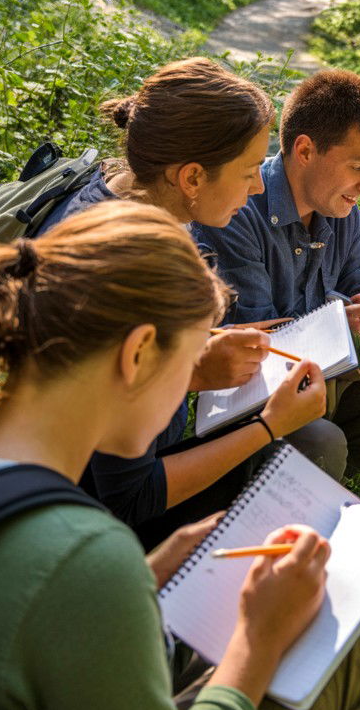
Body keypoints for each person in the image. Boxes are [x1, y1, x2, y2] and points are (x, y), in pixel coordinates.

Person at [0, 203, 360, 710]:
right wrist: (256, 640)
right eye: (191, 366)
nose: (193, 390)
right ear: (139, 352)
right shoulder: (82, 557)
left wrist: (150, 569)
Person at [39, 57, 324, 545]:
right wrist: (269, 426)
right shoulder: (133, 270)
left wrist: (192, 362)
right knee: (312, 443)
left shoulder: (123, 193)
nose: (259, 187)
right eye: (251, 170)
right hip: (89, 528)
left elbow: (110, 375)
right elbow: (124, 499)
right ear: (191, 177)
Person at [194, 69, 360, 481]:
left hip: (320, 382)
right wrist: (339, 331)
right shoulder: (235, 211)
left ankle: (322, 478)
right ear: (305, 150)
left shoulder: (342, 213)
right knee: (321, 440)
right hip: (255, 398)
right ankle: (290, 476)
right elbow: (258, 349)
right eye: (359, 165)